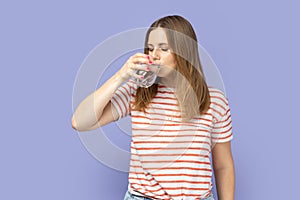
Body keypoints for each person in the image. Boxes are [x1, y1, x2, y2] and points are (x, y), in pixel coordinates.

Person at [72, 15, 235, 200]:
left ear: (184, 52)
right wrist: (120, 76)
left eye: (163, 48)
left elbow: (223, 165)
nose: (154, 55)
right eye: (150, 49)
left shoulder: (215, 100)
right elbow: (80, 122)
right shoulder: (137, 92)